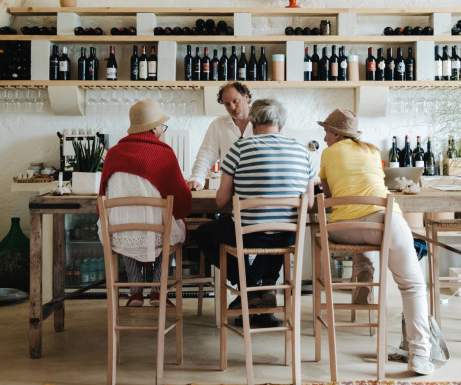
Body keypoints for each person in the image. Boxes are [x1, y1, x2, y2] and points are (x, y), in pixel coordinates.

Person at [317, 108, 434, 375]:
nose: (324, 138)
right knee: (413, 284)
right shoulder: (372, 151)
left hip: (344, 229)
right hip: (385, 222)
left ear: (337, 134)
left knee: (360, 230)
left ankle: (364, 276)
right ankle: (419, 355)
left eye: (327, 132)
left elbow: (329, 194)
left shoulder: (328, 153)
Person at [195, 98, 315, 326]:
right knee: (275, 233)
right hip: (288, 235)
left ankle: (249, 288)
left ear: (253, 123)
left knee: (205, 233)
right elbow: (308, 204)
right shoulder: (303, 152)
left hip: (250, 234)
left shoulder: (239, 148)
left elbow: (221, 201)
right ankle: (266, 290)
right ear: (281, 124)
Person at [99, 99, 192, 307]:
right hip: (158, 231)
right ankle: (158, 292)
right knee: (167, 227)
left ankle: (135, 292)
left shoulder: (113, 153)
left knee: (128, 227)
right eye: (162, 125)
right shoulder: (163, 153)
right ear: (154, 128)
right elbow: (182, 201)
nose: (163, 129)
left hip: (119, 231)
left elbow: (102, 194)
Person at [187, 81, 254, 191]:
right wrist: (197, 178)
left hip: (259, 190)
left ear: (246, 97)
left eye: (235, 101)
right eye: (227, 104)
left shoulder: (264, 122)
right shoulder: (218, 124)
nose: (232, 107)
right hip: (230, 191)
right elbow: (206, 156)